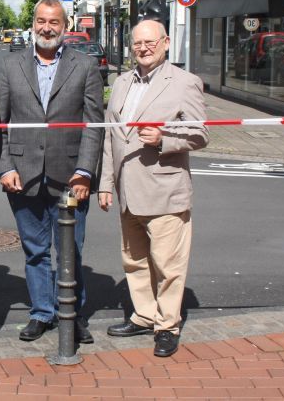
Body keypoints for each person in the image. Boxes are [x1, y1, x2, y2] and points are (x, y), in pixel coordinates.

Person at [0, 0, 104, 344]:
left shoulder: (85, 66)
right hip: (22, 176)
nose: (47, 28)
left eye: (54, 22)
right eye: (41, 21)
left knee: (72, 250)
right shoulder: (10, 66)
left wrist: (85, 171)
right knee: (35, 251)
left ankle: (72, 313)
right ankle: (41, 312)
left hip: (71, 177)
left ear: (65, 26)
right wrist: (4, 167)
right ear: (33, 24)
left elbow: (94, 124)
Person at [97, 19, 209, 358]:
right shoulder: (121, 82)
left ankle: (167, 326)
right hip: (128, 190)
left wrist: (165, 138)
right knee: (134, 260)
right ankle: (145, 315)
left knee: (168, 265)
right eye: (137, 43)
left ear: (166, 43)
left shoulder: (185, 82)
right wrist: (105, 183)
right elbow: (111, 136)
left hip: (165, 190)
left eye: (150, 42)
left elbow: (201, 134)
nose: (143, 48)